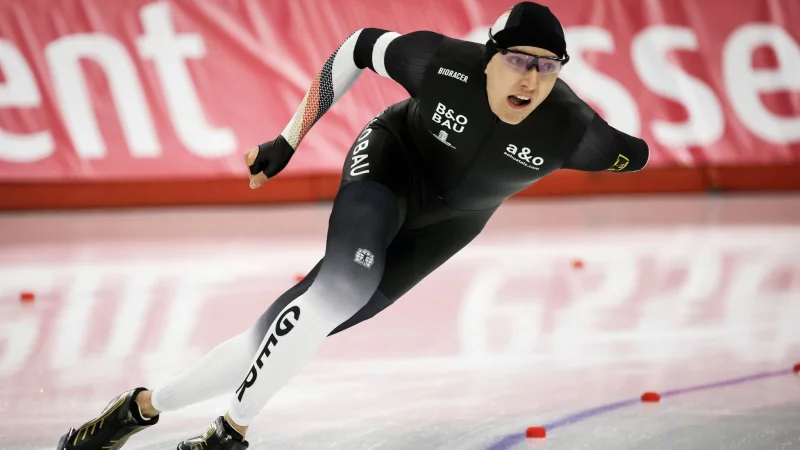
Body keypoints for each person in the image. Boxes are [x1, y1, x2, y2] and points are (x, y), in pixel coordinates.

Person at [56, 2, 649, 449]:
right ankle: (229, 435)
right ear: (489, 54)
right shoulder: (442, 64)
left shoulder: (573, 130)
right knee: (336, 293)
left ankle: (136, 410)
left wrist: (631, 150)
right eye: (518, 61)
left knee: (280, 333)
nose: (530, 80)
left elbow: (636, 153)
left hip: (448, 226)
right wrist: (288, 141)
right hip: (390, 164)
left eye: (547, 68)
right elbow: (358, 47)